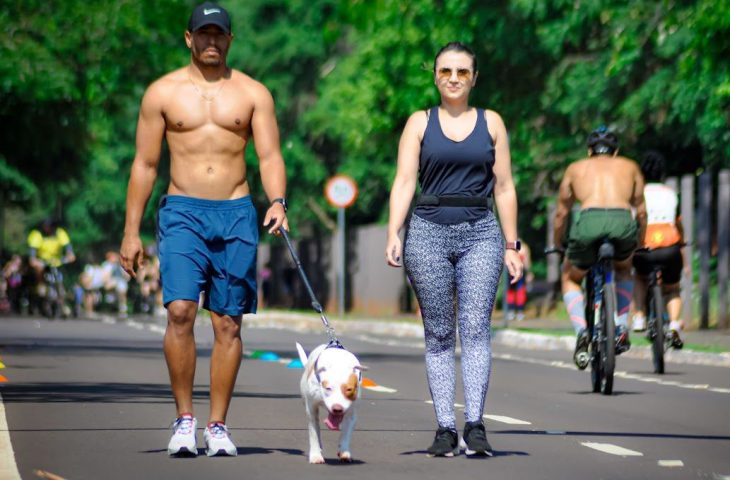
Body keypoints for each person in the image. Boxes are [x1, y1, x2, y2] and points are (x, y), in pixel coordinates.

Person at [119, 2, 288, 458]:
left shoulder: (254, 94)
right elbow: (146, 163)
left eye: (220, 34)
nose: (211, 41)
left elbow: (270, 157)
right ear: (189, 38)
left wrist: (277, 201)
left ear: (230, 40)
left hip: (235, 212)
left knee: (228, 322)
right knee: (179, 311)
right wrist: (131, 231)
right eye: (204, 34)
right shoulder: (162, 93)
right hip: (182, 213)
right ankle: (184, 420)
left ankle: (217, 426)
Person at [386, 42, 522, 457]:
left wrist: (512, 244)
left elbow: (504, 186)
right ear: (435, 76)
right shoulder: (419, 123)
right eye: (446, 71)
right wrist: (394, 231)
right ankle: (446, 426)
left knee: (477, 327)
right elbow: (405, 181)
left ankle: (476, 424)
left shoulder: (492, 123)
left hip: (481, 230)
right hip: (427, 230)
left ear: (474, 78)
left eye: (463, 72)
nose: (454, 78)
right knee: (440, 333)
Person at [553, 126, 647, 369]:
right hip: (622, 222)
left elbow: (562, 213)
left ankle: (582, 332)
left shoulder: (575, 168)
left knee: (570, 278)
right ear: (616, 152)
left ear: (589, 150)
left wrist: (557, 243)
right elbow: (642, 212)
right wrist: (640, 243)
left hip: (589, 222)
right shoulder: (630, 166)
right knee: (624, 269)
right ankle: (622, 326)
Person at [631, 151, 685, 348]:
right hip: (670, 248)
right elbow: (678, 224)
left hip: (645, 249)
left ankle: (638, 315)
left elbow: (634, 221)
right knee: (672, 288)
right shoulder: (671, 194)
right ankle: (673, 325)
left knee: (639, 276)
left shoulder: (638, 195)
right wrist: (683, 241)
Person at [27, 218, 76, 314]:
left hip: (57, 262)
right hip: (42, 262)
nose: (48, 229)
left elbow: (68, 247)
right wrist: (34, 260)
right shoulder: (37, 234)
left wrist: (70, 255)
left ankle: (64, 301)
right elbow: (32, 253)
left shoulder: (60, 233)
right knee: (38, 271)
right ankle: (41, 288)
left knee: (62, 279)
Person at [506, 239, 532, 321]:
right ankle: (513, 311)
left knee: (519, 291)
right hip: (511, 272)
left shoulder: (520, 246)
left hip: (518, 271)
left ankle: (518, 312)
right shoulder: (520, 246)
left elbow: (527, 262)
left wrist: (528, 273)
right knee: (512, 291)